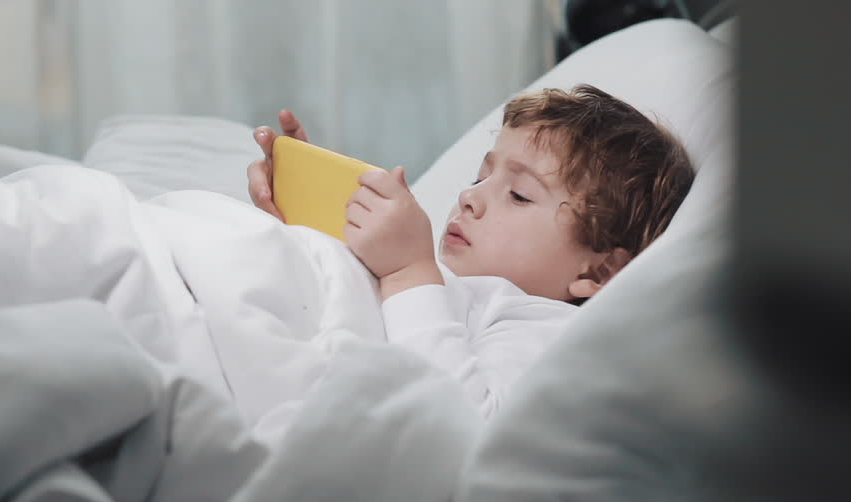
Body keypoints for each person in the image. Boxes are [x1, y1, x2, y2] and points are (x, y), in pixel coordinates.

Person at [247, 84, 694, 418]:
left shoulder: (541, 323)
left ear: (598, 272)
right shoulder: (448, 283)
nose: (469, 197)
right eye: (480, 177)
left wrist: (409, 270)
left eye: (519, 195)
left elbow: (463, 425)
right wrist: (308, 211)